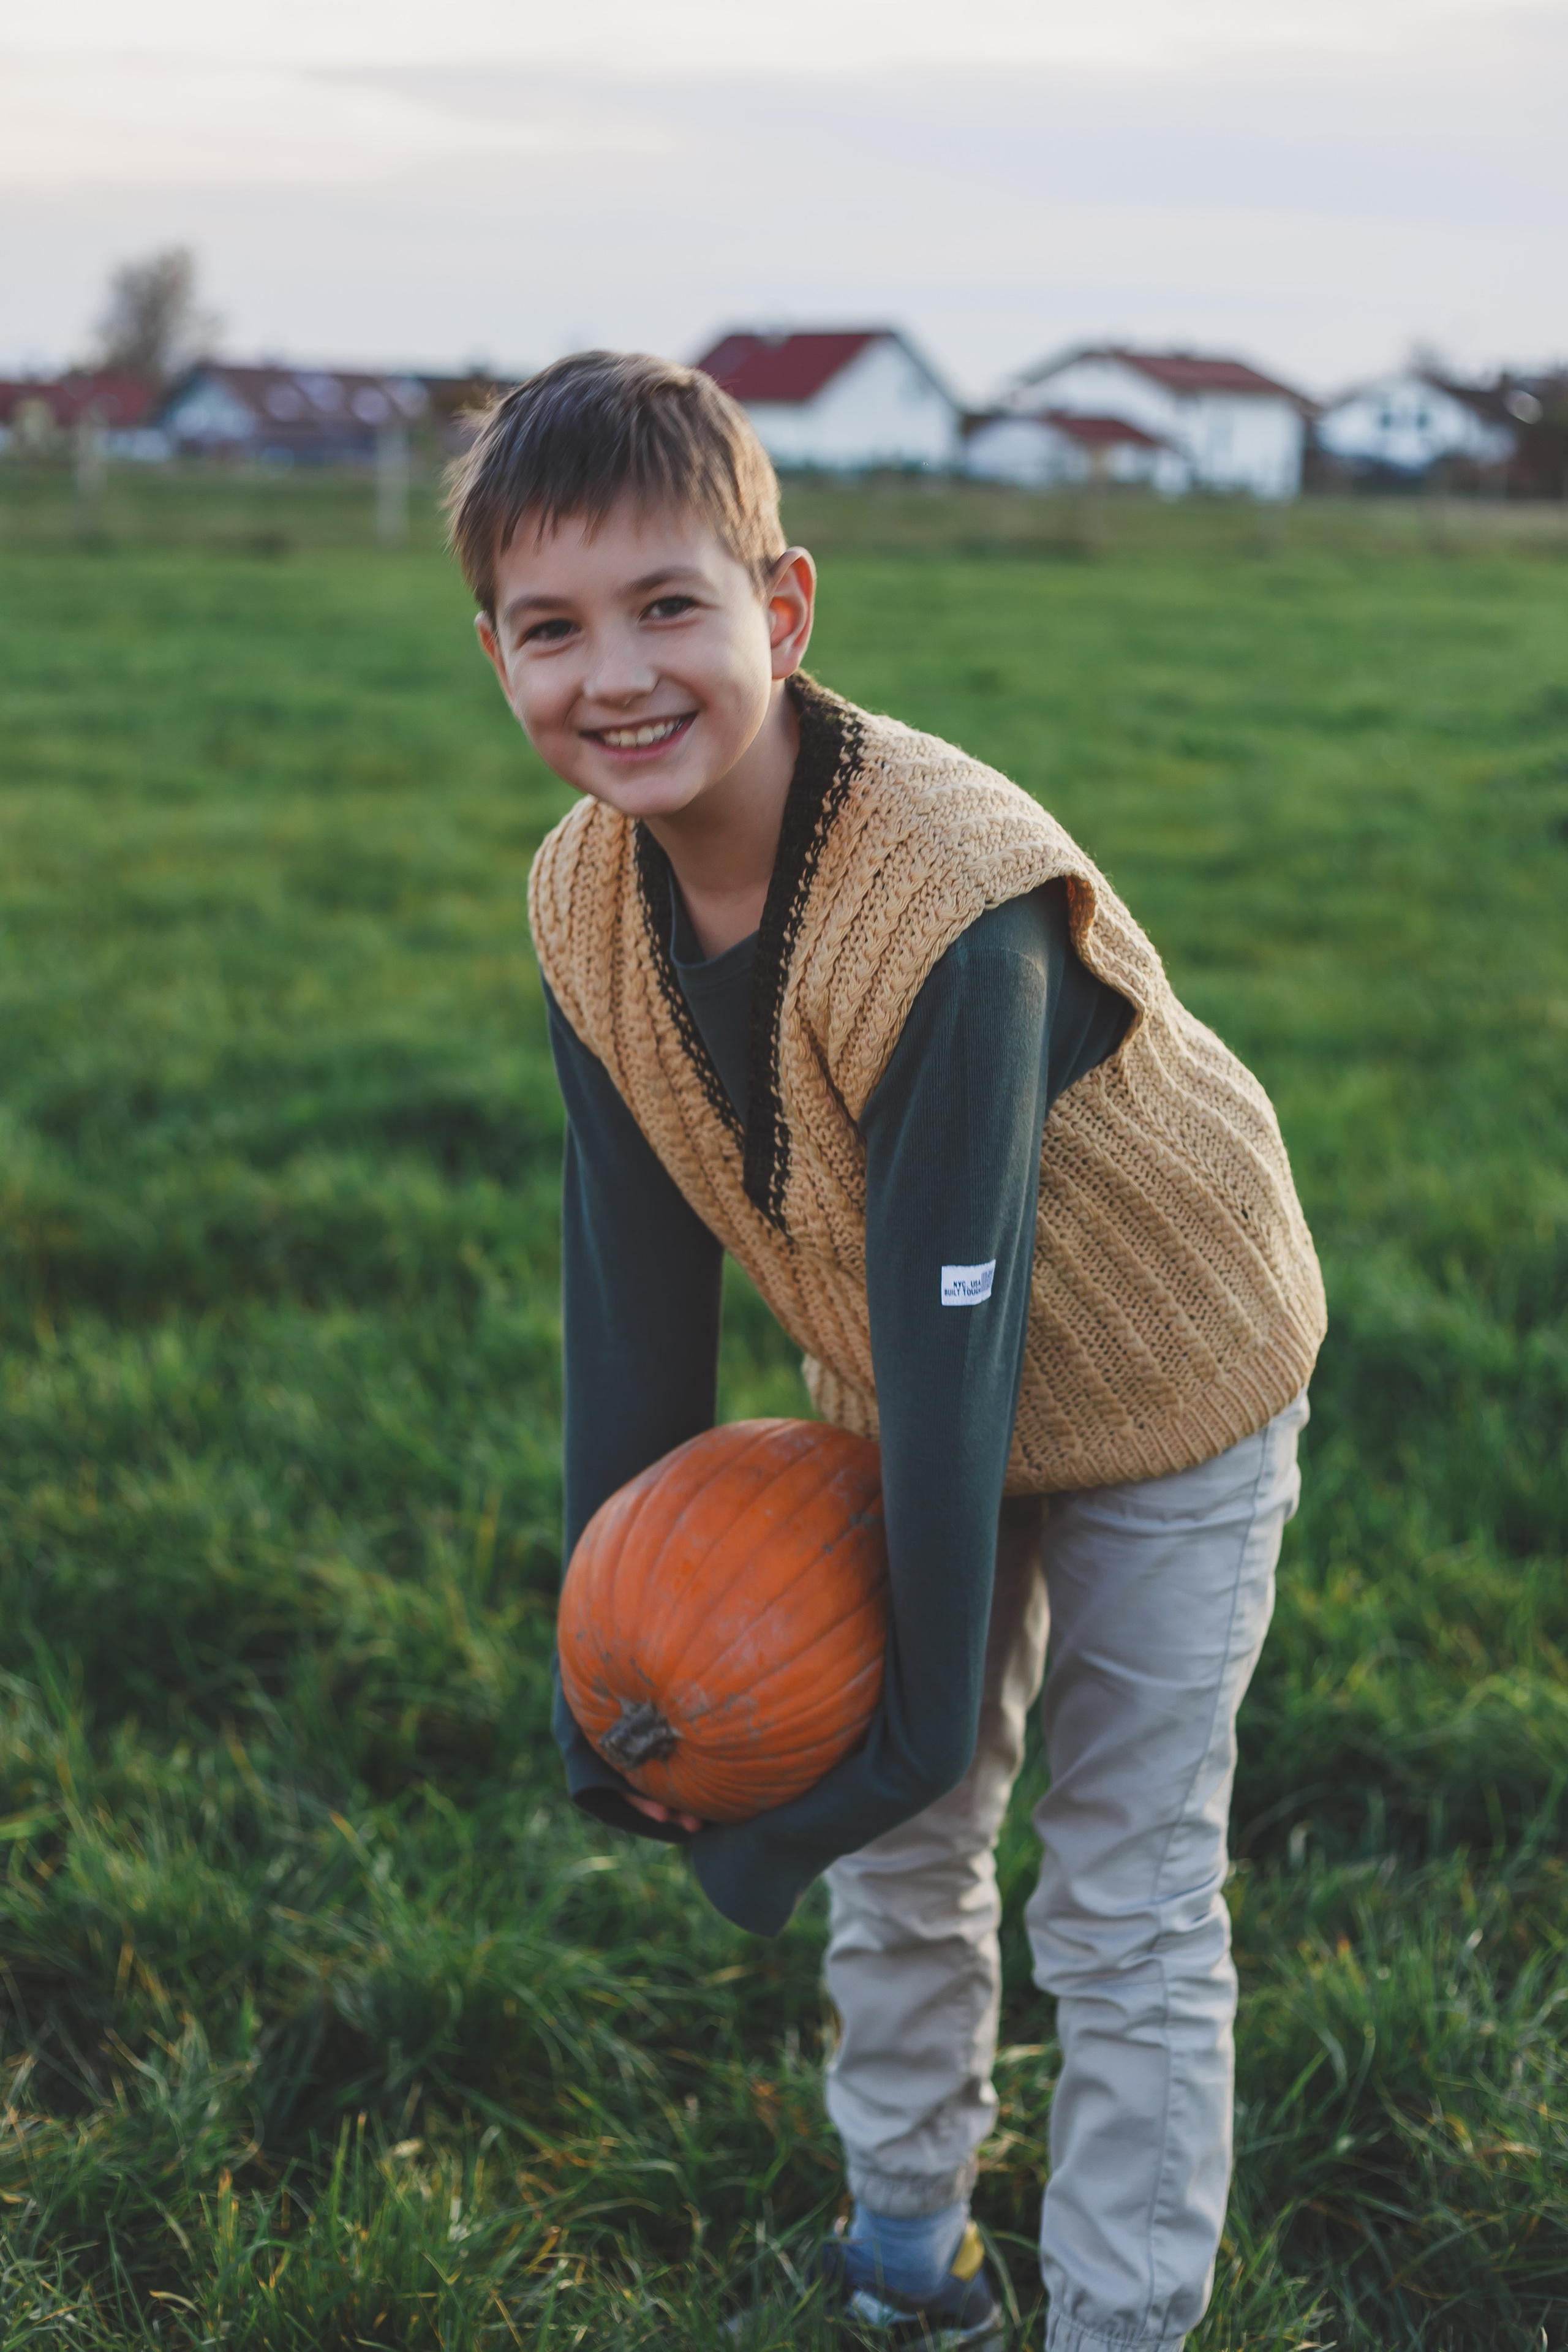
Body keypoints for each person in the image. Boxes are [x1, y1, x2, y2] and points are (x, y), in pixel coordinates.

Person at [448, 350, 1326, 2351]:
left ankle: (1117, 2325)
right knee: (907, 1868)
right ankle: (906, 2267)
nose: (619, 674)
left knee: (1115, 1891)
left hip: (1158, 1381)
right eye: (552, 628)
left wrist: (919, 1731)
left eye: (672, 605)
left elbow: (967, 1316)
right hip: (908, 1370)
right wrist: (616, 1670)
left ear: (783, 606)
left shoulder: (950, 905)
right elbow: (634, 1292)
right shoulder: (581, 896)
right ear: (493, 649)